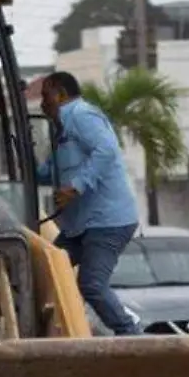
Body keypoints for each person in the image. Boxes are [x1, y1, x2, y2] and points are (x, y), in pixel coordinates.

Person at [36, 71, 141, 336]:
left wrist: (76, 187)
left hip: (107, 222)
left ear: (60, 94)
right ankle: (54, 331)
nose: (42, 104)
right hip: (79, 228)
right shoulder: (61, 132)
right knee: (44, 269)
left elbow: (106, 149)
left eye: (45, 96)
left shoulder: (81, 115)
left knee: (92, 284)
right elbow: (48, 172)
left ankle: (130, 334)